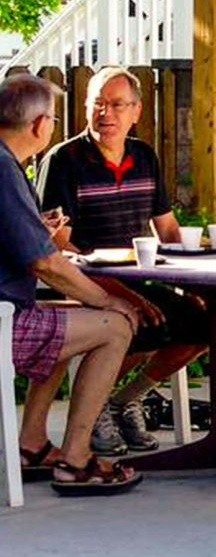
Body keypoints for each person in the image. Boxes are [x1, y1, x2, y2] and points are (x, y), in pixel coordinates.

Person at [36, 65, 208, 456]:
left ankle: (122, 399)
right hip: (82, 284)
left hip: (137, 278)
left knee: (203, 326)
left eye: (116, 105)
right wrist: (118, 294)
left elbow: (166, 228)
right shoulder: (64, 160)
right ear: (84, 107)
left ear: (137, 111)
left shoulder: (144, 155)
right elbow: (62, 249)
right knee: (135, 318)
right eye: (97, 104)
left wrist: (198, 281)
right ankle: (93, 407)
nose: (105, 114)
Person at [0, 73, 144, 495]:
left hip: (11, 314)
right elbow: (46, 264)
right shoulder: (5, 169)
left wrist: (35, 226)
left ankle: (30, 444)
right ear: (40, 124)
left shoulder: (8, 164)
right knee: (116, 326)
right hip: (5, 322)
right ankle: (76, 459)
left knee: (71, 323)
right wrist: (109, 301)